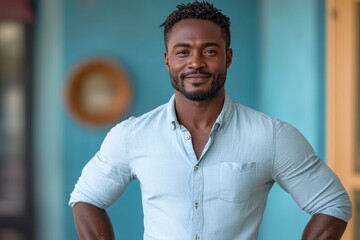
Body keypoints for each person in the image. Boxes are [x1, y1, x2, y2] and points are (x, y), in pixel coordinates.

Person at [69, 1, 352, 239]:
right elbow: (86, 198)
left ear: (228, 58)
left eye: (210, 51)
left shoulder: (272, 136)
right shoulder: (132, 135)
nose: (196, 62)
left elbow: (333, 203)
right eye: (183, 52)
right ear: (167, 60)